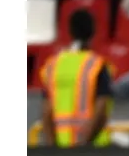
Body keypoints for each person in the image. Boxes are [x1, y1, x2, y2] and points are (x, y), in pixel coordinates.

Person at [39, 10, 114, 147]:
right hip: (92, 149)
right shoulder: (97, 66)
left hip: (60, 149)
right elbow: (101, 107)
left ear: (69, 31)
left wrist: (52, 149)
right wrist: (82, 146)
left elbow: (47, 111)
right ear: (93, 32)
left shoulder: (52, 66)